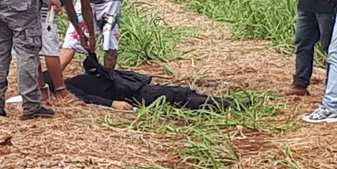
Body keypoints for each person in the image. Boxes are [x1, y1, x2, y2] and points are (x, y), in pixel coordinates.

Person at [61, 52, 240, 112]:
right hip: (132, 95)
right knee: (178, 95)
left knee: (179, 94)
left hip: (132, 88)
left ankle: (225, 104)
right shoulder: (71, 88)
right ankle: (229, 105)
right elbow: (88, 98)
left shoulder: (73, 81)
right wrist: (113, 104)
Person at [37, 0, 101, 97]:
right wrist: (91, 36)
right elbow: (86, 9)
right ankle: (61, 91)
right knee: (50, 46)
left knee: (32, 46)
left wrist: (80, 34)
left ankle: (41, 88)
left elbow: (70, 9)